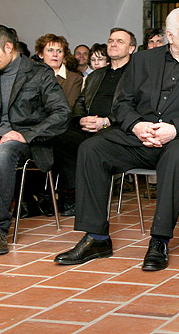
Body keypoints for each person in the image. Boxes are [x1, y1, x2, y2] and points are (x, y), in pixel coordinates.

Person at [54, 7, 179, 271]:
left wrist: (174, 128)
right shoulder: (144, 60)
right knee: (92, 148)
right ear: (170, 36)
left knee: (176, 154)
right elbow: (123, 103)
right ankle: (96, 237)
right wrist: (136, 126)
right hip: (142, 136)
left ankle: (159, 240)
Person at [0, 25, 70, 256]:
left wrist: (25, 134)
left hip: (28, 142)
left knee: (3, 153)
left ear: (8, 47)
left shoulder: (39, 72)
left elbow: (61, 113)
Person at [51, 28, 137, 216]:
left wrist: (107, 121)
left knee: (89, 145)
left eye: (120, 41)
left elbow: (137, 108)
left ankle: (79, 199)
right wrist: (81, 119)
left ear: (131, 49)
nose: (113, 44)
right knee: (57, 136)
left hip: (117, 128)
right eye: (111, 40)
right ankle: (71, 194)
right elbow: (81, 101)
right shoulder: (96, 75)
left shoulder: (137, 74)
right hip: (88, 126)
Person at [35, 34, 83, 108]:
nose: (55, 54)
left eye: (59, 51)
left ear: (64, 56)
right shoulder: (32, 76)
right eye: (50, 50)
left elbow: (68, 108)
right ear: (41, 54)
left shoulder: (75, 79)